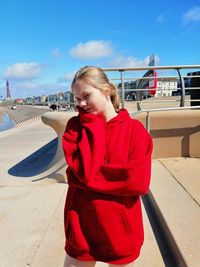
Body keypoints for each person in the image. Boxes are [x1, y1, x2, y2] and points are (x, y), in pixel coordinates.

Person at [62, 66, 153, 267]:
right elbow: (84, 171)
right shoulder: (75, 128)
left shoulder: (135, 131)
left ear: (106, 90)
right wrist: (93, 125)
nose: (81, 104)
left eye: (86, 95)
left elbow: (137, 183)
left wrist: (83, 181)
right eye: (77, 99)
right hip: (81, 226)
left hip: (120, 229)